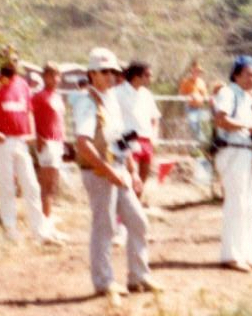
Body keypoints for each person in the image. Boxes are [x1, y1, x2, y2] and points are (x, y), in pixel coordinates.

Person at [72, 47, 155, 295]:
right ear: (92, 74)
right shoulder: (88, 103)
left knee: (138, 222)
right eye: (104, 71)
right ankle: (104, 282)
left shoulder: (112, 101)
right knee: (104, 227)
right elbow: (84, 144)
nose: (110, 76)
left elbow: (121, 139)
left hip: (118, 169)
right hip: (99, 172)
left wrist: (133, 171)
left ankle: (139, 276)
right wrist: (108, 170)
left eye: (113, 72)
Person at [213, 55, 252, 272]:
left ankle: (246, 253)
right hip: (231, 150)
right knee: (235, 204)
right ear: (237, 74)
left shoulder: (247, 98)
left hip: (245, 151)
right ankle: (231, 255)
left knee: (247, 205)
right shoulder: (228, 93)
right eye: (249, 75)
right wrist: (248, 126)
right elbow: (221, 120)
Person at [0, 54, 58, 243]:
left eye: (15, 60)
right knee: (7, 186)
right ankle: (10, 231)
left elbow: (29, 111)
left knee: (31, 185)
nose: (12, 63)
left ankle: (39, 231)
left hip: (21, 140)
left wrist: (31, 132)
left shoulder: (23, 84)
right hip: (3, 141)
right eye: (8, 59)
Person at [30, 62, 66, 234]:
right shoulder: (39, 96)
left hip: (57, 142)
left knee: (53, 184)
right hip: (47, 142)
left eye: (58, 76)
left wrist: (64, 141)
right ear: (45, 77)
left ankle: (48, 220)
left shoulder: (57, 97)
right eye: (52, 75)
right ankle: (44, 224)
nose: (56, 79)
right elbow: (28, 115)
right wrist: (37, 137)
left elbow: (60, 121)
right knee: (46, 184)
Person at [114, 61, 160, 193]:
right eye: (147, 75)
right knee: (129, 179)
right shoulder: (118, 92)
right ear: (136, 76)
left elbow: (155, 117)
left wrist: (154, 136)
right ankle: (123, 212)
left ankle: (135, 209)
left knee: (142, 180)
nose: (150, 78)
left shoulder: (146, 94)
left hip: (146, 140)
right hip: (127, 139)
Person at [179, 59, 209, 141]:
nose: (197, 73)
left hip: (199, 108)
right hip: (190, 107)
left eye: (199, 71)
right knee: (192, 124)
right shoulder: (186, 82)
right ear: (191, 71)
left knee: (200, 125)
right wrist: (190, 96)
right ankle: (200, 141)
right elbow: (181, 95)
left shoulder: (201, 82)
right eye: (195, 71)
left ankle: (202, 141)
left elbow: (205, 95)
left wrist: (201, 97)